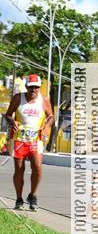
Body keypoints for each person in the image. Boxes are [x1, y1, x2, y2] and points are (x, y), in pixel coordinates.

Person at [4, 74, 54, 211]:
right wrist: (12, 121)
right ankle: (19, 199)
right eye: (31, 87)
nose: (34, 90)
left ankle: (33, 196)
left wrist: (47, 126)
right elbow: (7, 114)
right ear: (26, 87)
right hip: (19, 139)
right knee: (19, 169)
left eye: (36, 88)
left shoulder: (43, 100)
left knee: (37, 167)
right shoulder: (18, 98)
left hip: (36, 140)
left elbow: (51, 116)